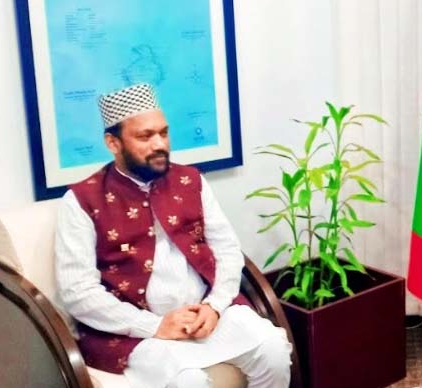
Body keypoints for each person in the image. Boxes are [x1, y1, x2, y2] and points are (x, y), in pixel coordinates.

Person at [54, 83, 292, 388]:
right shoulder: (82, 201)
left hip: (204, 312)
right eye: (145, 136)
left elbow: (228, 250)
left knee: (272, 349)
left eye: (163, 133)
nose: (159, 144)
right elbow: (77, 292)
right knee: (188, 381)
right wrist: (154, 325)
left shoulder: (190, 180)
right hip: (137, 332)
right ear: (113, 143)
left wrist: (215, 305)